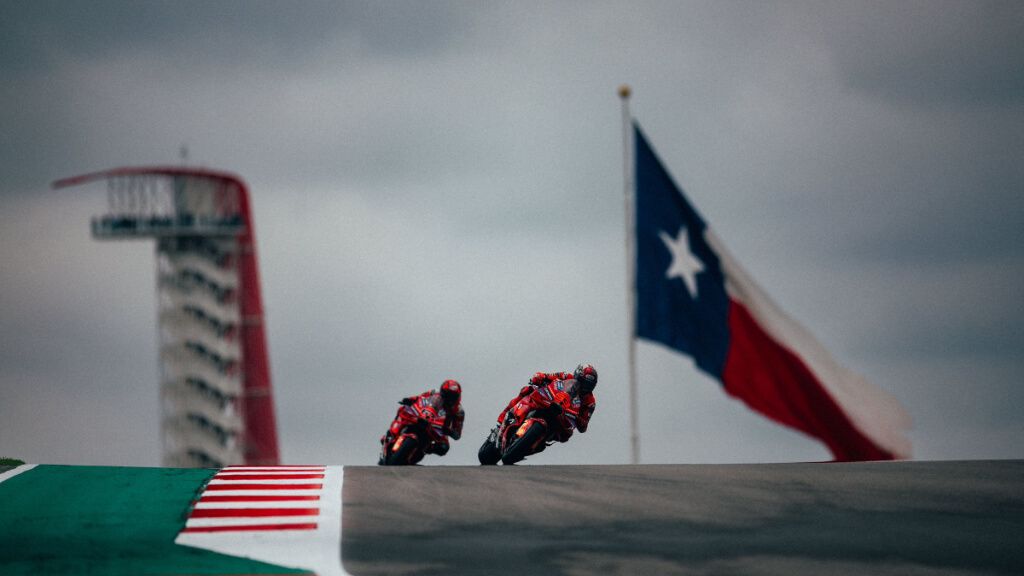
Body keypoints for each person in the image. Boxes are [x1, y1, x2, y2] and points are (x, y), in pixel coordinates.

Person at [496, 363, 597, 441]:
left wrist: (579, 420)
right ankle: (501, 424)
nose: (583, 387)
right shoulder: (566, 376)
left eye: (588, 386)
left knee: (565, 435)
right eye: (582, 382)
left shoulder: (590, 402)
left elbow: (584, 426)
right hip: (549, 400)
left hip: (563, 417)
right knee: (527, 390)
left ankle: (538, 441)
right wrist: (539, 377)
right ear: (576, 376)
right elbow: (547, 376)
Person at [380, 379, 464, 463]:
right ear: (442, 393)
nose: (449, 399)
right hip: (424, 416)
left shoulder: (459, 411)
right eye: (447, 395)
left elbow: (457, 433)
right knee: (403, 410)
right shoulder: (435, 394)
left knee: (444, 448)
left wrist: (450, 432)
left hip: (438, 426)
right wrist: (410, 400)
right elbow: (420, 397)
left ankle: (425, 448)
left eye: (452, 396)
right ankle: (391, 435)